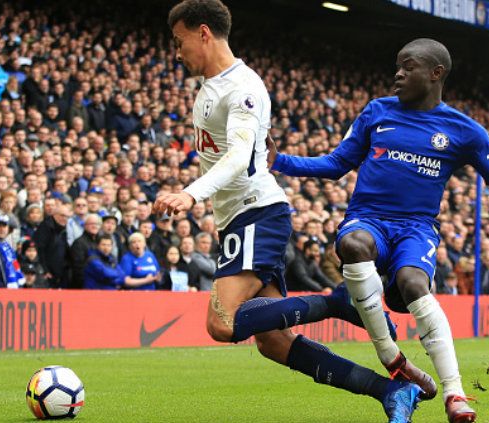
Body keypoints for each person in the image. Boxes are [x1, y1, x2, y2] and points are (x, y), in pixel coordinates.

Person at [153, 2, 420, 422]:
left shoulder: (242, 87)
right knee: (274, 343)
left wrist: (191, 194)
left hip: (257, 213)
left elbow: (241, 156)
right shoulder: (210, 89)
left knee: (222, 324)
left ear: (203, 32)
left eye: (179, 40)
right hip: (238, 220)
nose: (176, 51)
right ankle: (391, 390)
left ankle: (337, 302)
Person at [267, 38, 489, 422]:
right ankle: (392, 357)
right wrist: (282, 161)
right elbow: (336, 163)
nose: (398, 74)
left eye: (408, 67)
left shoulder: (465, 131)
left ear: (435, 74)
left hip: (417, 229)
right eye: (397, 66)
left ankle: (455, 395)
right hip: (370, 218)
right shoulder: (377, 112)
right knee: (353, 244)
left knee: (412, 283)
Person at [85, 234, 157, 290]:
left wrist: (119, 277)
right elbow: (106, 274)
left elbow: (122, 275)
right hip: (94, 294)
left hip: (110, 293)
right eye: (103, 245)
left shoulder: (111, 258)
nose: (106, 248)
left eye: (109, 245)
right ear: (97, 245)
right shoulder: (93, 259)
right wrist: (119, 278)